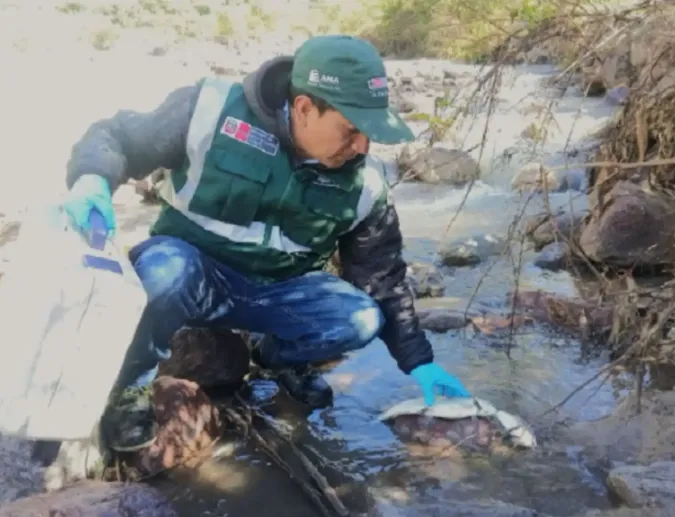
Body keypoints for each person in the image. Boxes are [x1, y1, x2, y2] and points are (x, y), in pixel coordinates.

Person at [61, 35, 471, 453]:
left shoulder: (365, 183)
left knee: (360, 318)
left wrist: (419, 361)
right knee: (163, 271)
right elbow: (118, 137)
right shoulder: (209, 111)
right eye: (351, 130)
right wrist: (93, 177)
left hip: (277, 293)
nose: (363, 146)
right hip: (193, 275)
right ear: (305, 108)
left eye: (369, 133)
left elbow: (382, 276)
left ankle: (278, 360)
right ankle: (130, 387)